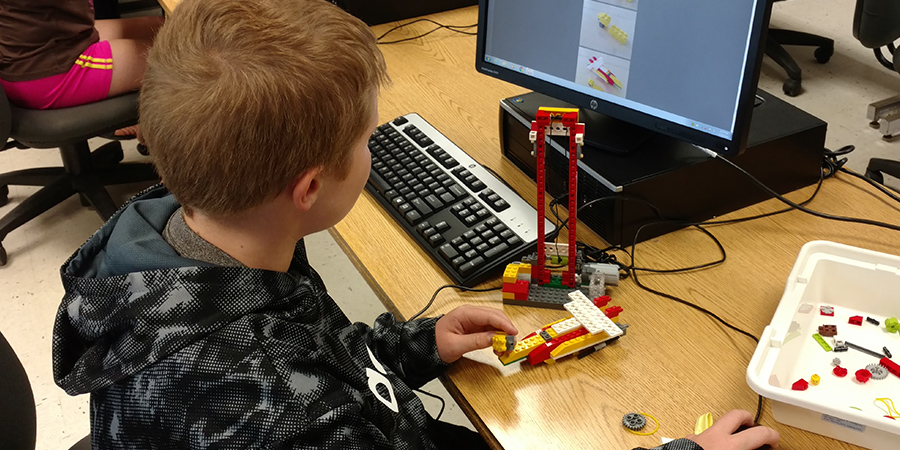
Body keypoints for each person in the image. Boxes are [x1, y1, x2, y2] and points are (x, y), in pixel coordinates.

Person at [49, 0, 780, 449]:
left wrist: (416, 345)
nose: (373, 148)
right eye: (368, 139)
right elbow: (297, 388)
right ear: (310, 187)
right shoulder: (290, 416)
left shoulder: (187, 240)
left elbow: (314, 349)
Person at [0, 0, 162, 136]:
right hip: (48, 72)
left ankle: (151, 121)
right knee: (175, 56)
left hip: (41, 48)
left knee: (160, 26)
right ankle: (160, 135)